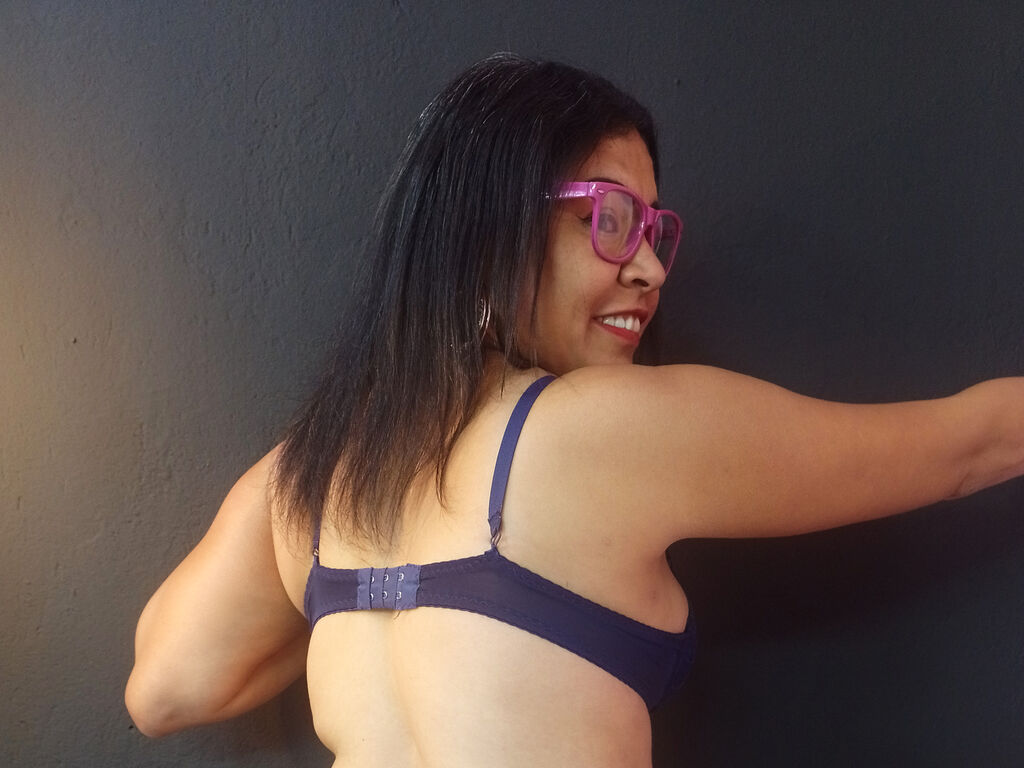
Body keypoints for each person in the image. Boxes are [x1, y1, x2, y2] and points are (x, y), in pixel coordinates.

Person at [124, 53, 1024, 767]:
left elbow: (165, 690)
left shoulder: (310, 478)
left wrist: (349, 593)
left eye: (653, 230)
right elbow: (969, 449)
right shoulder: (606, 430)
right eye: (611, 219)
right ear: (489, 227)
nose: (651, 268)